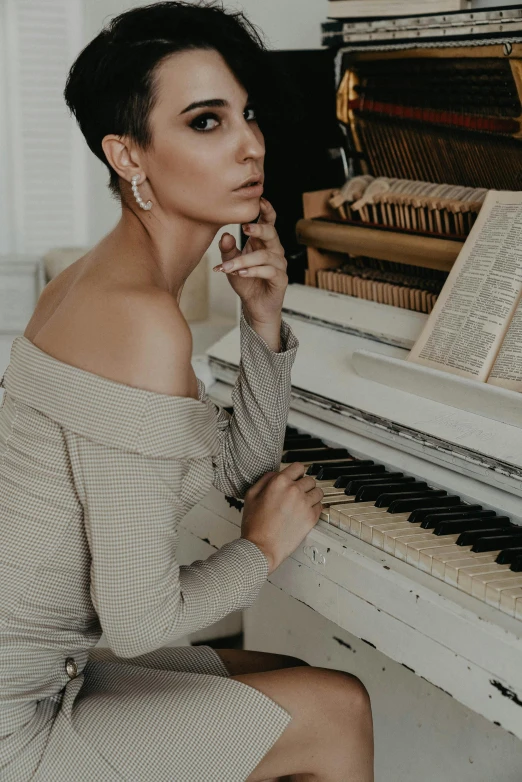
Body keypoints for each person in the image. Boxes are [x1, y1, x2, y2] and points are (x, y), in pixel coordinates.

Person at [0, 2, 374, 780]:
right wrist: (262, 547)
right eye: (205, 122)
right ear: (128, 154)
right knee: (337, 710)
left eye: (247, 114)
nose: (250, 144)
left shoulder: (94, 280)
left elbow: (237, 476)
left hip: (49, 672)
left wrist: (263, 322)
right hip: (17, 719)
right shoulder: (138, 320)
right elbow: (139, 625)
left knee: (285, 673)